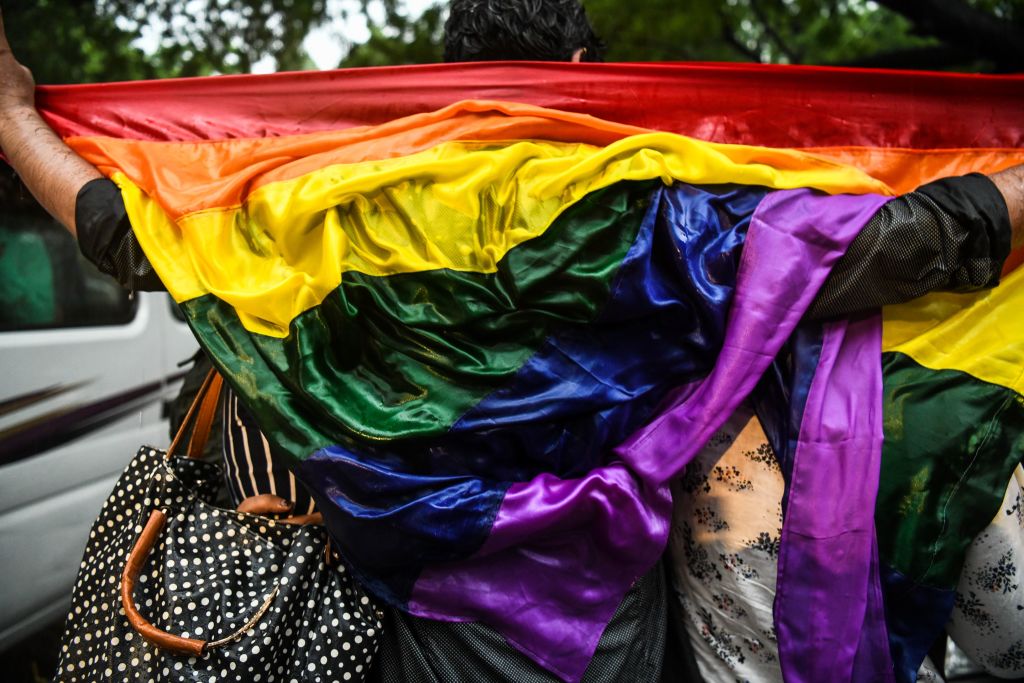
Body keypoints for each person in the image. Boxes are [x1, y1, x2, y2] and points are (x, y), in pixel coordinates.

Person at [2, 2, 1024, 681]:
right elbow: (914, 239)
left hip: (405, 616)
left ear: (452, 72)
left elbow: (130, 232)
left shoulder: (337, 209)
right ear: (583, 73)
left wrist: (14, 123)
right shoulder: (647, 216)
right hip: (593, 626)